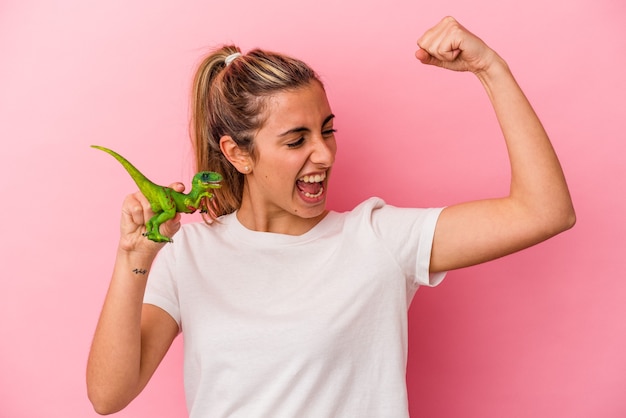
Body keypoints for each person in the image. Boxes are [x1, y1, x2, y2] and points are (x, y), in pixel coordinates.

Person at [86, 16, 575, 417]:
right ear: (238, 154)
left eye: (327, 130)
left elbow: (544, 211)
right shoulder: (189, 255)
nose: (323, 155)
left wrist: (490, 67)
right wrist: (136, 255)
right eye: (297, 140)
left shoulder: (378, 239)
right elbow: (109, 395)